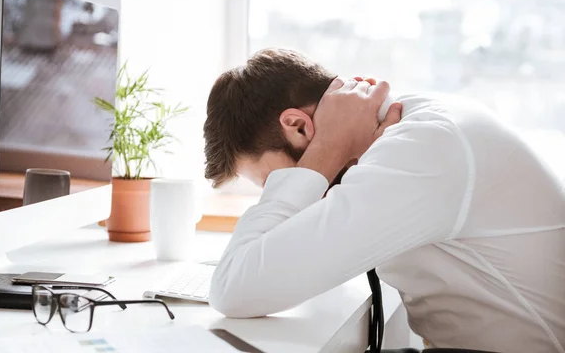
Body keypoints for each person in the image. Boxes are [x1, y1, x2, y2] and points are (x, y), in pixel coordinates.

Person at [203, 48, 565, 352]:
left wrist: (325, 152)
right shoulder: (415, 128)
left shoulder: (423, 147)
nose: (286, 188)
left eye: (273, 182)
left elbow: (234, 290)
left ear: (299, 127)